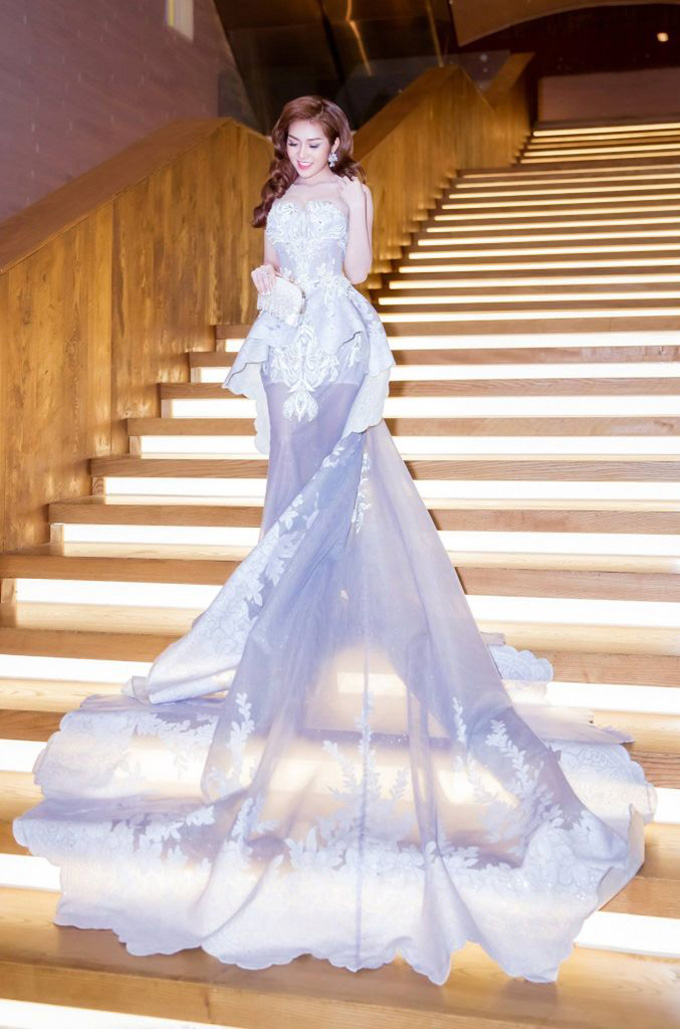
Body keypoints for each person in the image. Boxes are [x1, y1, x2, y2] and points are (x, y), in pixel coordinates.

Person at [13, 95, 657, 987]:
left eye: (316, 142)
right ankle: (291, 618)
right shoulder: (280, 196)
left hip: (337, 340)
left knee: (336, 482)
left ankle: (332, 608)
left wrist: (327, 253)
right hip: (286, 347)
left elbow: (356, 270)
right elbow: (275, 270)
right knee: (289, 485)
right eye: (295, 142)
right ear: (284, 146)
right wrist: (267, 287)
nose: (305, 153)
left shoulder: (351, 191)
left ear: (335, 144)